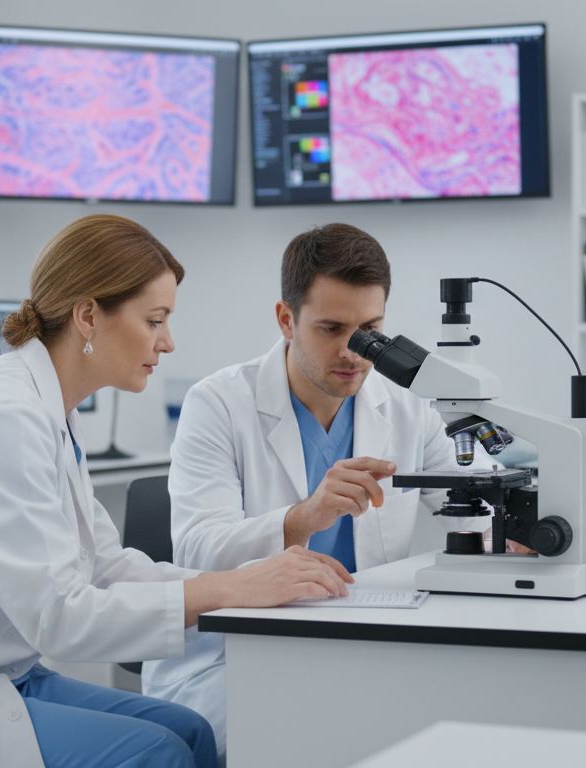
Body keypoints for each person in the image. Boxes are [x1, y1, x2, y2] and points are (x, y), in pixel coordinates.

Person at [0, 214, 353, 768]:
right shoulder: (3, 416)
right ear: (88, 315)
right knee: (158, 753)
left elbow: (103, 566)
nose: (169, 342)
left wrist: (239, 587)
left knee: (190, 731)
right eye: (155, 320)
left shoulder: (48, 411)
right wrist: (231, 587)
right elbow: (59, 617)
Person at [141, 223, 503, 761]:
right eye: (331, 328)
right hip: (240, 653)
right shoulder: (217, 404)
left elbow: (480, 501)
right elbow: (197, 550)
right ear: (287, 319)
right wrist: (303, 516)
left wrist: (514, 530)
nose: (354, 351)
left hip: (366, 642)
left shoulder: (405, 405)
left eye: (371, 329)